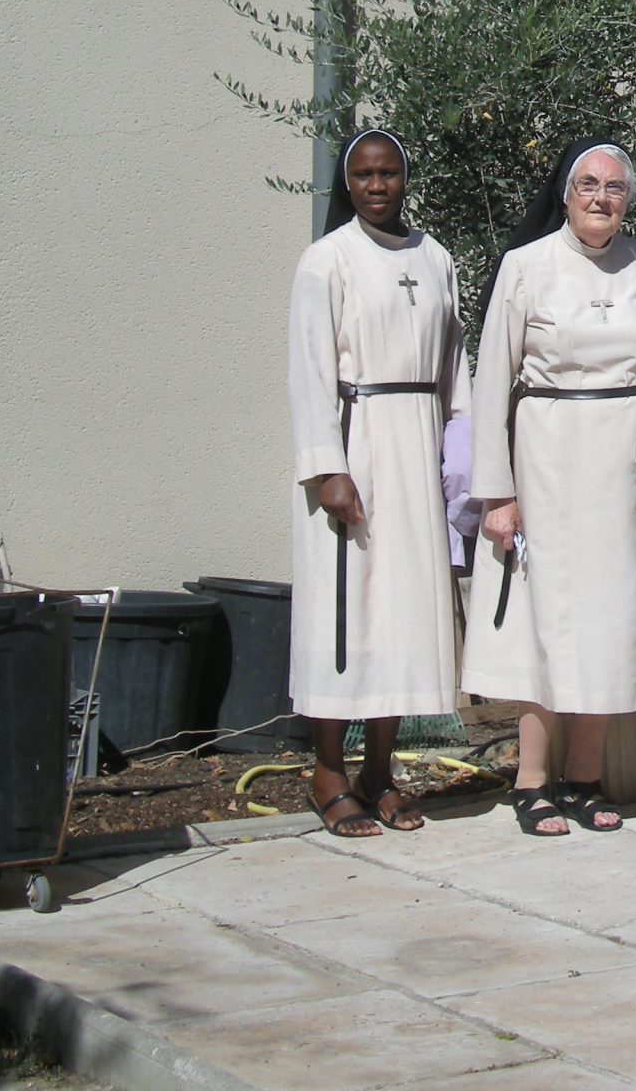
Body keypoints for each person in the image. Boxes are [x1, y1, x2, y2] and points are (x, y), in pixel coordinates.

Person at [467, 139, 636, 838]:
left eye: (614, 187)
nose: (600, 198)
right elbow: (491, 377)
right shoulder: (525, 268)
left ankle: (584, 776)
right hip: (547, 457)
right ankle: (532, 779)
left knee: (612, 623)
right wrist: (496, 492)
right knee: (546, 624)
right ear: (565, 192)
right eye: (587, 184)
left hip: (624, 464)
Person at [287, 128, 466, 837]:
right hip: (356, 444)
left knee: (406, 612)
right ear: (348, 183)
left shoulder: (434, 257)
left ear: (405, 178)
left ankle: (379, 769)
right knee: (348, 611)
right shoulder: (326, 260)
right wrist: (328, 468)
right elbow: (307, 371)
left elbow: (457, 365)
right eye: (364, 175)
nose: (378, 186)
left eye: (389, 173)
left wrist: (463, 461)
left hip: (417, 446)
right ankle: (328, 770)